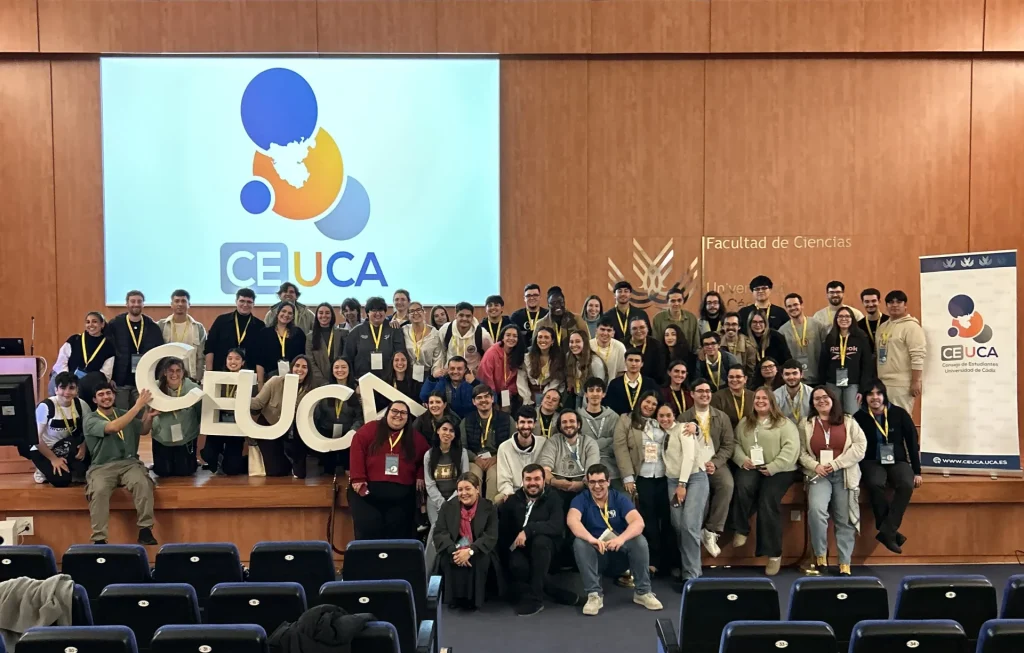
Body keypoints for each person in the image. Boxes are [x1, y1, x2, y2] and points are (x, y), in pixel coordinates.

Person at [568, 464, 664, 616]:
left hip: (619, 553)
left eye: (601, 481)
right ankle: (594, 595)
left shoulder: (619, 498)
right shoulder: (581, 499)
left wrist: (621, 539)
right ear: (587, 482)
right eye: (592, 482)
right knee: (580, 542)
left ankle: (643, 592)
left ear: (608, 481)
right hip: (597, 554)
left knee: (639, 540)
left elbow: (639, 523)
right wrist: (591, 539)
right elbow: (572, 521)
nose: (597, 486)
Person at [730, 387, 800, 576]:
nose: (760, 401)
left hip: (780, 470)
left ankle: (773, 554)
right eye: (757, 398)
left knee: (767, 501)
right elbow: (735, 443)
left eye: (764, 398)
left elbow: (791, 450)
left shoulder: (784, 424)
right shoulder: (745, 422)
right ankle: (741, 529)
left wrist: (773, 467)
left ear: (771, 402)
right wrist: (742, 460)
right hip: (752, 466)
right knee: (741, 485)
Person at [798, 385, 867, 576]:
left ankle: (845, 563)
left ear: (832, 399)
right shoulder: (806, 423)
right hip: (819, 475)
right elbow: (801, 453)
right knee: (817, 511)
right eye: (816, 398)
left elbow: (860, 447)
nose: (821, 401)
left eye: (825, 397)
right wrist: (815, 466)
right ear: (812, 403)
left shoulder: (848, 420)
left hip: (844, 474)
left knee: (844, 519)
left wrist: (836, 464)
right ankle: (820, 557)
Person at [83, 384, 157, 545]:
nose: (106, 397)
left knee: (142, 482)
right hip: (102, 466)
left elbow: (143, 430)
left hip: (129, 463)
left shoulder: (123, 414)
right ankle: (99, 538)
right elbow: (114, 427)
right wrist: (138, 406)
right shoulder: (90, 419)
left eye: (108, 393)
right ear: (95, 400)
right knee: (99, 490)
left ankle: (145, 529)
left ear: (114, 396)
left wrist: (149, 417)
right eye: (101, 394)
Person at [853, 380, 922, 554]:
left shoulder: (899, 414)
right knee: (875, 483)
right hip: (870, 461)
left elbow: (912, 442)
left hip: (897, 460)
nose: (875, 397)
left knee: (906, 483)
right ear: (865, 397)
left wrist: (917, 470)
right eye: (870, 394)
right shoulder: (858, 417)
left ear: (884, 395)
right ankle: (889, 533)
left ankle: (887, 530)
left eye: (878, 393)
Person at [500, 464, 578, 615]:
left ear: (543, 481)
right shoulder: (513, 501)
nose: (532, 483)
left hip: (547, 548)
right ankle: (552, 590)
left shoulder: (553, 497)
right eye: (528, 479)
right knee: (517, 565)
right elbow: (504, 532)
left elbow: (556, 526)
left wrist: (529, 530)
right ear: (522, 481)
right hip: (520, 548)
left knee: (540, 543)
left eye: (537, 479)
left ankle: (536, 599)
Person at [349, 400, 429, 540]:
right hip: (368, 493)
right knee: (369, 528)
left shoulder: (414, 437)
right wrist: (358, 478)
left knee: (398, 533)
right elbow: (357, 447)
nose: (398, 415)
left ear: (408, 417)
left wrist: (420, 475)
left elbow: (427, 456)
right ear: (387, 413)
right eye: (394, 411)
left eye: (403, 413)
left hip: (401, 496)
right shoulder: (371, 429)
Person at [613, 392, 674, 575]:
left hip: (665, 476)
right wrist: (628, 477)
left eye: (654, 404)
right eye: (647, 402)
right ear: (640, 402)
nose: (650, 406)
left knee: (668, 521)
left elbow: (680, 430)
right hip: (642, 477)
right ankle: (653, 561)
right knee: (649, 521)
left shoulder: (662, 421)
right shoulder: (626, 420)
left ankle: (670, 563)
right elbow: (620, 447)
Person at [680, 378, 735, 558]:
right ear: (692, 394)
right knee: (698, 494)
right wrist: (696, 464)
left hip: (715, 462)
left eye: (708, 392)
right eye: (700, 391)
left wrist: (716, 462)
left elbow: (728, 445)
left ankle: (711, 531)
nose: (705, 394)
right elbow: (679, 447)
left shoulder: (722, 416)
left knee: (727, 485)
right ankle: (694, 536)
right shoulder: (684, 417)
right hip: (693, 466)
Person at [433, 472, 499, 610]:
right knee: (447, 558)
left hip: (478, 547)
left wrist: (470, 550)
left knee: (480, 559)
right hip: (455, 547)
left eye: (468, 488)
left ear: (477, 489)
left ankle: (474, 600)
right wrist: (455, 551)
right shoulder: (448, 507)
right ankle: (454, 599)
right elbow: (440, 532)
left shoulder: (489, 507)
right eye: (460, 490)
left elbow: (490, 535)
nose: (464, 493)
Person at [663, 399, 710, 581]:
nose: (665, 419)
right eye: (661, 416)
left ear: (674, 415)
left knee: (690, 526)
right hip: (672, 481)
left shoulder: (684, 429)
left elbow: (690, 457)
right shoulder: (661, 432)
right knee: (678, 526)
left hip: (693, 479)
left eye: (668, 415)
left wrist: (682, 485)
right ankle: (686, 568)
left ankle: (692, 575)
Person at [250, 355, 314, 478]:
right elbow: (259, 402)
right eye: (297, 366)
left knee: (301, 474)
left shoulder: (310, 389)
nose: (300, 369)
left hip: (293, 429)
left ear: (308, 371)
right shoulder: (275, 381)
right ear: (292, 367)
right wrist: (242, 399)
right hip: (269, 425)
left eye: (304, 367)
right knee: (276, 471)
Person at [32, 372, 91, 487]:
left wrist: (84, 445)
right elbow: (35, 439)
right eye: (63, 388)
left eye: (72, 388)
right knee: (61, 481)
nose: (67, 392)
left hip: (66, 445)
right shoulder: (45, 407)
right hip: (43, 448)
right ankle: (41, 470)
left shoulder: (81, 405)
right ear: (56, 390)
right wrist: (54, 459)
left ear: (77, 390)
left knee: (82, 470)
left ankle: (70, 467)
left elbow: (89, 429)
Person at [108, 290, 164, 409]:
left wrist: (156, 377)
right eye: (132, 301)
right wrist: (110, 377)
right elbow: (108, 352)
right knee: (122, 415)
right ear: (127, 304)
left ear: (143, 304)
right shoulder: (115, 325)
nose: (136, 304)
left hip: (143, 381)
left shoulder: (152, 327)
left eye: (139, 301)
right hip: (120, 380)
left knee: (141, 418)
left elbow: (159, 354)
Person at [461, 384, 516, 501]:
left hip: (498, 458)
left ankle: (490, 511)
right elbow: (462, 447)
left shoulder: (507, 419)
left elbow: (512, 444)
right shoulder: (466, 421)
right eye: (479, 398)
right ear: (473, 402)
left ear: (492, 399)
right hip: (474, 459)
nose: (483, 400)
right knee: (472, 477)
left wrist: (496, 458)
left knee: (494, 477)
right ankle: (474, 510)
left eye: (486, 396)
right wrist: (475, 458)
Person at [875, 290, 926, 413]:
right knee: (884, 421)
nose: (894, 305)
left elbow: (917, 356)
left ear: (905, 305)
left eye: (899, 302)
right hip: (882, 382)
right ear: (886, 306)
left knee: (900, 421)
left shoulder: (912, 327)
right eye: (891, 302)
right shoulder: (882, 327)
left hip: (901, 384)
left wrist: (915, 381)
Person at [149, 358, 201, 477]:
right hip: (162, 438)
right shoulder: (155, 387)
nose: (174, 374)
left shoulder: (193, 389)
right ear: (165, 372)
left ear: (183, 372)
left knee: (185, 472)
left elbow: (199, 413)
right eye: (171, 371)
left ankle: (192, 462)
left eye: (178, 371)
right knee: (163, 472)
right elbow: (148, 412)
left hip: (186, 438)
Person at [200, 347, 248, 476]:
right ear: (225, 361)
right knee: (208, 455)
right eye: (230, 358)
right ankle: (218, 457)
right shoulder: (217, 378)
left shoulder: (248, 380)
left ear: (243, 362)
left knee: (232, 469)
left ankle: (232, 460)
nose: (233, 362)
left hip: (237, 423)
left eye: (237, 359)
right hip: (218, 420)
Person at [539, 410, 601, 510]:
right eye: (564, 422)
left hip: (584, 487)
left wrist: (581, 485)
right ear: (559, 426)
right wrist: (555, 482)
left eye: (572, 421)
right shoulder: (552, 442)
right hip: (556, 488)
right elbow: (545, 470)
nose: (568, 425)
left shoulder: (590, 443)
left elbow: (592, 472)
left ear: (579, 424)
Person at [312, 358, 363, 474]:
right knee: (327, 470)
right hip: (328, 433)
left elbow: (360, 416)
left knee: (348, 468)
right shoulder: (325, 388)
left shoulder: (357, 389)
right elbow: (318, 414)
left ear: (349, 369)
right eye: (336, 367)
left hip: (348, 434)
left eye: (344, 367)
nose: (340, 370)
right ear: (332, 370)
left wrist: (352, 432)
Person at [819, 307, 874, 415]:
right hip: (832, 383)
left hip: (853, 384)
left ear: (852, 319)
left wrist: (862, 390)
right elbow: (823, 363)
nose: (844, 319)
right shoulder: (830, 338)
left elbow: (867, 365)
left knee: (852, 415)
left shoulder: (861, 337)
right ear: (836, 319)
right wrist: (823, 386)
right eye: (840, 316)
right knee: (834, 414)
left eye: (847, 316)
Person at [344, 296, 407, 382]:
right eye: (374, 310)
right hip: (363, 381)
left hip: (389, 382)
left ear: (385, 312)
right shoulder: (356, 332)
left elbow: (400, 354)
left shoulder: (394, 330)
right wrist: (354, 383)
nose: (378, 313)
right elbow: (348, 359)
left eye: (381, 310)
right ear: (367, 313)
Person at [204, 288, 265, 373]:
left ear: (253, 304)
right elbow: (209, 347)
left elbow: (261, 355)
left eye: (249, 302)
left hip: (248, 374)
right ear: (236, 301)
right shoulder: (221, 321)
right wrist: (209, 372)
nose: (245, 304)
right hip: (220, 372)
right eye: (242, 301)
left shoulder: (260, 326)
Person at [495, 406, 547, 503]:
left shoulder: (543, 443)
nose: (526, 426)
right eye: (522, 422)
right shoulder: (504, 447)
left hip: (538, 491)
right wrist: (511, 495)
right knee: (498, 500)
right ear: (516, 424)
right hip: (514, 493)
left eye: (529, 422)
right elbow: (504, 480)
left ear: (534, 424)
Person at [578, 378, 621, 490]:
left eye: (598, 390)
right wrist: (606, 441)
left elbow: (617, 443)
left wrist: (591, 445)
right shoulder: (577, 417)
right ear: (586, 394)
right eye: (591, 390)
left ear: (604, 394)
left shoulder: (614, 417)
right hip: (584, 467)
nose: (595, 394)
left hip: (611, 468)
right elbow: (578, 445)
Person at [424, 416, 469, 525]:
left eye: (451, 431)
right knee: (437, 529)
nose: (447, 433)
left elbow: (464, 479)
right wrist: (442, 503)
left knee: (456, 528)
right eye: (444, 429)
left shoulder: (462, 453)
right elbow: (429, 484)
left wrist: (451, 502)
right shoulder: (429, 455)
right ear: (438, 430)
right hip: (435, 501)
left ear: (455, 435)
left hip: (457, 499)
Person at [156, 289, 207, 382]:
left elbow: (201, 357)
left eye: (183, 301)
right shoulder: (161, 325)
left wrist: (198, 379)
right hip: (166, 377)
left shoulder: (198, 327)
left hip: (190, 377)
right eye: (176, 301)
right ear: (171, 304)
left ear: (189, 305)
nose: (180, 304)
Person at [52, 311, 115, 384]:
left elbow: (106, 374)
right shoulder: (74, 339)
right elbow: (61, 362)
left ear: (102, 324)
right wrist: (68, 379)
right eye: (88, 322)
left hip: (90, 386)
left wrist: (87, 383)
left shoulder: (108, 346)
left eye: (94, 322)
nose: (90, 325)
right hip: (66, 381)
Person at [255, 301, 306, 388]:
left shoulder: (298, 334)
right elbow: (260, 362)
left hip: (293, 378)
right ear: (278, 313)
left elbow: (302, 358)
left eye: (290, 313)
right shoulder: (265, 333)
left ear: (293, 316)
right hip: (270, 379)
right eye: (283, 311)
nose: (286, 315)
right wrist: (260, 384)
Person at [477, 324, 524, 413]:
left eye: (515, 336)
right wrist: (494, 401)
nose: (511, 338)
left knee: (508, 413)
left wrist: (507, 397)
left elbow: (515, 379)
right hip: (490, 392)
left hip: (507, 393)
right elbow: (486, 378)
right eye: (508, 335)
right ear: (502, 337)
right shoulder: (492, 353)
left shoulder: (518, 354)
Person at [782, 293, 825, 385]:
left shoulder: (818, 325)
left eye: (795, 305)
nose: (793, 308)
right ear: (786, 309)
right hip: (795, 381)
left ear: (802, 305)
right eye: (789, 306)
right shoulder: (782, 331)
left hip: (818, 379)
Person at [517, 326, 565, 405]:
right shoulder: (527, 358)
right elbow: (521, 379)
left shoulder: (558, 359)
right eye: (540, 337)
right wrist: (527, 399)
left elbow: (556, 381)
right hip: (529, 396)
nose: (543, 340)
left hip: (550, 397)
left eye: (546, 337)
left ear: (552, 341)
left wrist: (546, 398)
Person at [603, 348, 659, 415]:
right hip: (620, 422)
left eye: (637, 361)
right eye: (630, 360)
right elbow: (608, 406)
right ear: (625, 362)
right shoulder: (615, 384)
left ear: (642, 364)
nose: (633, 364)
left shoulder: (650, 383)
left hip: (644, 421)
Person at [306, 302, 345, 388]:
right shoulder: (310, 337)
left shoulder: (343, 333)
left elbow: (346, 357)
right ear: (316, 316)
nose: (324, 316)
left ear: (332, 315)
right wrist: (323, 381)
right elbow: (310, 362)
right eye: (321, 313)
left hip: (341, 379)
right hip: (318, 382)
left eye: (327, 313)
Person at [403, 301, 445, 381]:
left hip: (427, 374)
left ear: (424, 312)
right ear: (408, 315)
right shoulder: (404, 331)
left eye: (418, 310)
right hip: (407, 374)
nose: (415, 313)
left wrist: (434, 375)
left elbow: (438, 358)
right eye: (411, 311)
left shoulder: (434, 334)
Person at [440, 302, 487, 373]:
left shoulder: (482, 334)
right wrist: (441, 369)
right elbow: (440, 352)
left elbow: (490, 355)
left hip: (471, 375)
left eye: (468, 316)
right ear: (455, 315)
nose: (464, 319)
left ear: (472, 317)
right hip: (450, 373)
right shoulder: (445, 329)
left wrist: (479, 369)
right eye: (461, 315)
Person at [564, 330, 607, 408]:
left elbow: (599, 387)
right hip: (576, 397)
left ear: (585, 343)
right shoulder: (569, 356)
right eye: (571, 342)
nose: (574, 345)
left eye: (577, 341)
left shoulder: (595, 362)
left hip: (591, 400)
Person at [652, 286, 700, 355]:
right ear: (667, 302)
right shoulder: (658, 319)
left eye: (679, 300)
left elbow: (696, 345)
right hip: (665, 359)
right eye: (673, 301)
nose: (676, 303)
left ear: (683, 301)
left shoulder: (692, 318)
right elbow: (656, 344)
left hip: (687, 359)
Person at [627, 318, 667, 386]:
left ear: (647, 329)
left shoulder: (657, 345)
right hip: (628, 384)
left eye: (642, 327)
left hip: (651, 384)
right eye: (634, 328)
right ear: (630, 331)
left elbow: (660, 371)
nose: (639, 331)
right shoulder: (622, 345)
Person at [774, 359, 814, 425]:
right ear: (782, 376)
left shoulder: (812, 393)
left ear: (801, 374)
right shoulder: (775, 395)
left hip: (807, 430)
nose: (791, 377)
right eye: (787, 374)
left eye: (795, 373)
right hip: (784, 431)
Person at [719, 312, 758, 379]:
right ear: (722, 327)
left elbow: (750, 373)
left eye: (734, 324)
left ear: (739, 327)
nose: (730, 327)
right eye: (727, 324)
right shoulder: (716, 342)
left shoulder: (749, 346)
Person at [857, 287, 889, 352]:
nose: (870, 304)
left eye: (873, 301)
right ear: (862, 303)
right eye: (867, 302)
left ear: (879, 301)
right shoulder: (858, 325)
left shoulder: (889, 321)